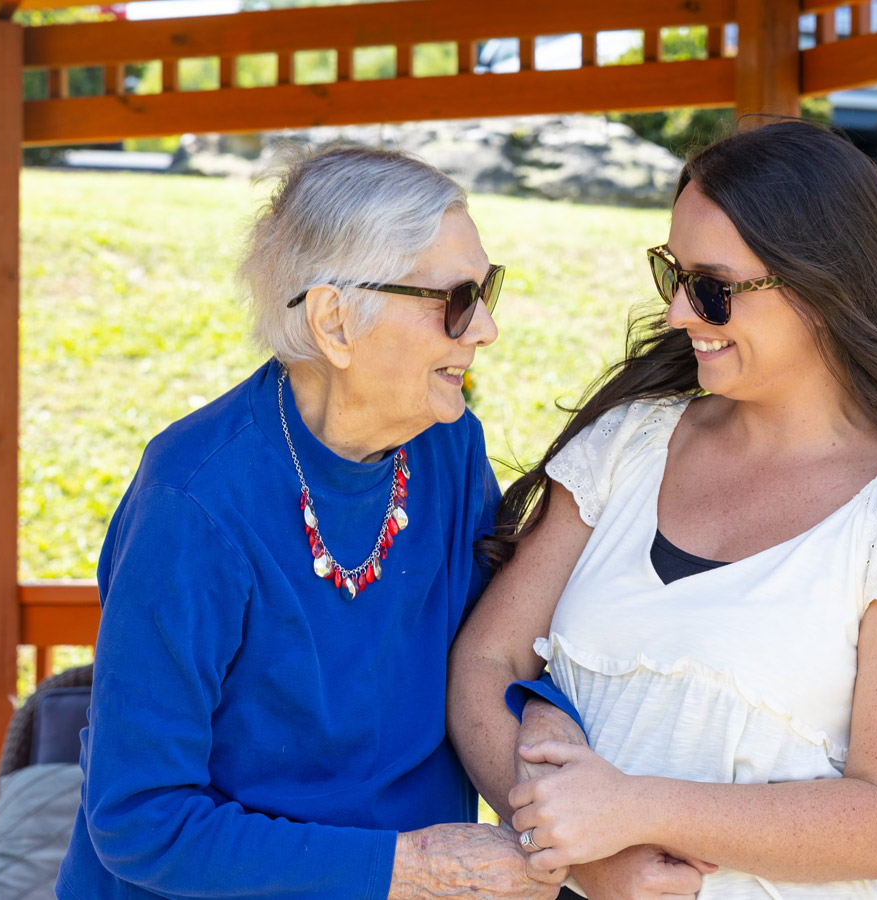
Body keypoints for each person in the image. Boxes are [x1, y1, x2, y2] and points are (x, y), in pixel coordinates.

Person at [446, 120, 877, 900]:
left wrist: (635, 809)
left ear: (822, 286)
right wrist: (588, 861)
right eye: (671, 275)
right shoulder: (628, 446)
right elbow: (486, 663)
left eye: (711, 288)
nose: (678, 313)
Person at [57, 147, 563, 900]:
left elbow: (500, 651)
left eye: (486, 290)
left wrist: (552, 730)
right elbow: (141, 820)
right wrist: (412, 871)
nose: (484, 328)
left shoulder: (449, 445)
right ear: (334, 321)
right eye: (455, 299)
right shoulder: (193, 503)